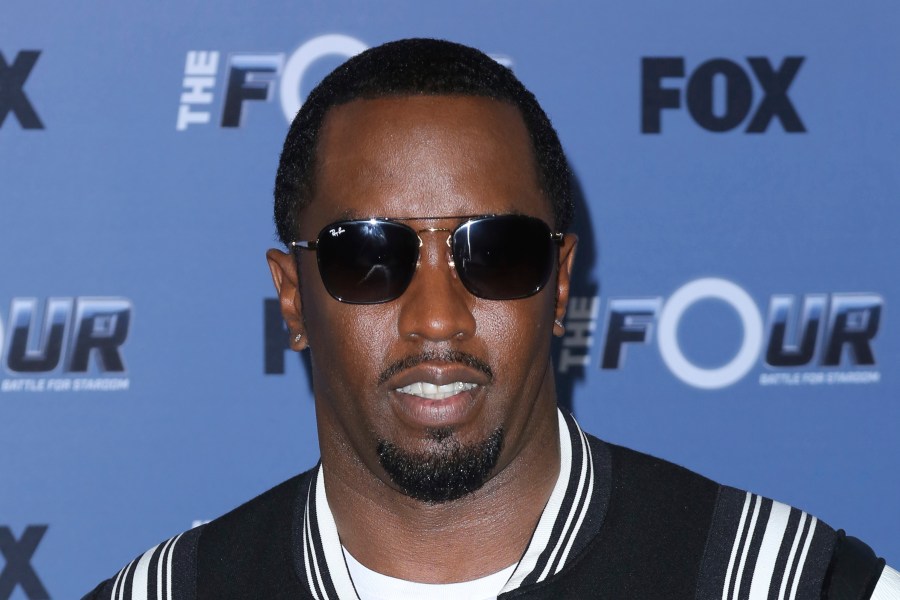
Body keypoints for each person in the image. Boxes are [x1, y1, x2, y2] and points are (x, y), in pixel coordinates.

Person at [84, 38, 898, 600]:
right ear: (292, 296)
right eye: (368, 255)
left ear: (561, 279)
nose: (437, 320)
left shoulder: (776, 581)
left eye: (496, 253)